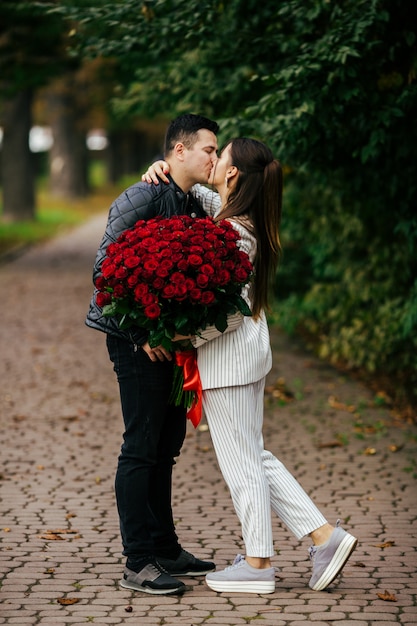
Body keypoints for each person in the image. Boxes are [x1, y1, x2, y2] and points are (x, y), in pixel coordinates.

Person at [143, 137, 358, 594]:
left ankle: (258, 564)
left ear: (235, 173)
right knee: (255, 456)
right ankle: (324, 537)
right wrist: (162, 166)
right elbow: (201, 190)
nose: (213, 162)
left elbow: (233, 309)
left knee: (242, 463)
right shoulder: (236, 216)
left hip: (231, 359)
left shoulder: (235, 232)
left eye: (219, 158)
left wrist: (183, 337)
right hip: (243, 358)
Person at [86, 114, 220, 596]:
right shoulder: (142, 196)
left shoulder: (191, 202)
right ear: (178, 151)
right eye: (208, 148)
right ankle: (138, 560)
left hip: (170, 344)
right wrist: (142, 332)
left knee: (166, 447)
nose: (214, 156)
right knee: (141, 447)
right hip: (135, 341)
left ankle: (165, 548)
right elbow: (105, 271)